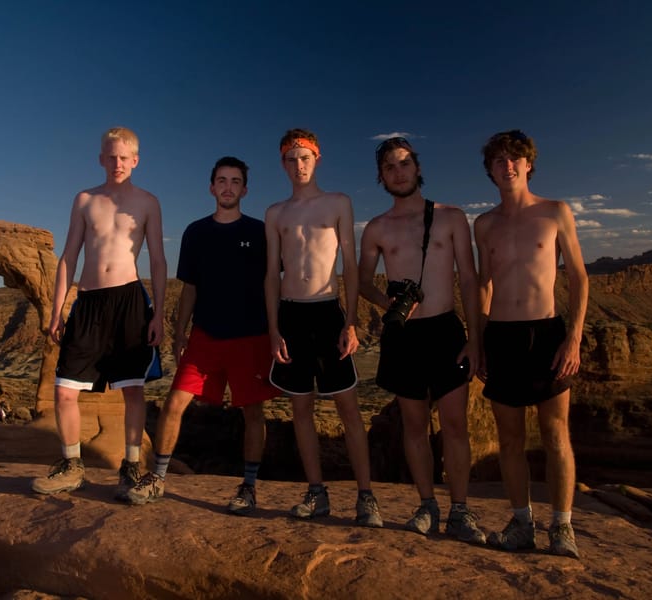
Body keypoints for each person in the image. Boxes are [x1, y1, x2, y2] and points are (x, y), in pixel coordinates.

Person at [126, 156, 277, 513]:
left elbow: (272, 283)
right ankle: (158, 478)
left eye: (235, 181)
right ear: (212, 187)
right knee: (174, 402)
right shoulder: (196, 232)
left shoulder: (259, 232)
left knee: (253, 412)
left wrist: (275, 330)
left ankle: (249, 487)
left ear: (244, 189)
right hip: (205, 336)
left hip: (250, 335)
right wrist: (180, 332)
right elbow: (189, 287)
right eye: (222, 181)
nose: (228, 187)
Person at [358, 137, 485, 544]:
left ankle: (461, 511)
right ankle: (427, 505)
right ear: (381, 177)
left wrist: (475, 335)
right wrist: (386, 301)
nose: (398, 172)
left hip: (446, 330)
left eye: (404, 164)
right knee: (414, 426)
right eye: (390, 168)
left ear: (417, 167)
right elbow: (361, 281)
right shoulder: (377, 228)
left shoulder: (451, 218)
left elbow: (468, 277)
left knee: (454, 426)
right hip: (404, 336)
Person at [31, 127, 167, 499]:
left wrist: (158, 314)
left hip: (129, 302)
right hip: (88, 302)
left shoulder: (148, 202)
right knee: (64, 391)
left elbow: (157, 259)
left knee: (133, 392)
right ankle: (72, 466)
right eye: (111, 156)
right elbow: (69, 257)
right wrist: (57, 310)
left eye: (124, 157)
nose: (117, 163)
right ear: (101, 159)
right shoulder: (85, 200)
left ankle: (131, 468)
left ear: (135, 161)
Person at [474, 130, 588, 559]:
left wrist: (573, 337)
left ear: (528, 164)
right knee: (509, 439)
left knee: (556, 433)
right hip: (502, 336)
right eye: (499, 160)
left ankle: (562, 526)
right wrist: (479, 339)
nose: (507, 166)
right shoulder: (484, 224)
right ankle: (522, 524)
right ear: (490, 170)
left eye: (514, 159)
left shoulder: (555, 212)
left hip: (547, 334)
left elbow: (578, 276)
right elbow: (484, 283)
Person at [264, 128, 383, 528]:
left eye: (305, 158)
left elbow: (350, 266)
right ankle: (316, 493)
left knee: (348, 408)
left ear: (317, 159)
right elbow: (270, 275)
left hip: (329, 312)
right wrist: (274, 329)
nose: (298, 165)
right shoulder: (275, 213)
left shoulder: (338, 203)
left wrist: (350, 322)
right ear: (282, 163)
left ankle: (366, 496)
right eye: (291, 159)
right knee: (301, 408)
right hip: (291, 315)